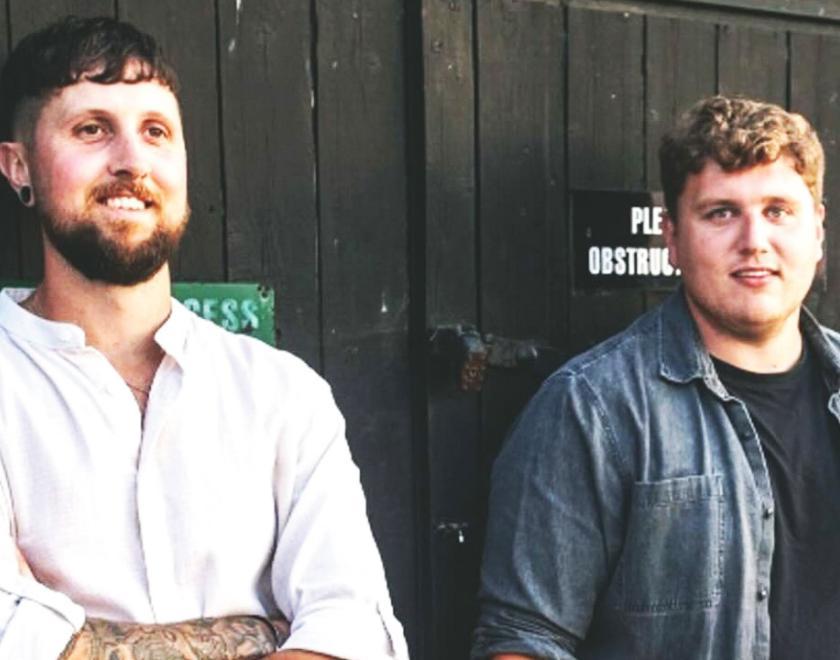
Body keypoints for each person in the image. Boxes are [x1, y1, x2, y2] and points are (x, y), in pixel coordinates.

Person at [0, 15, 408, 660]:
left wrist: (67, 638)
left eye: (155, 132)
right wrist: (260, 633)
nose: (132, 160)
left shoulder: (282, 394)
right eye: (91, 129)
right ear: (18, 166)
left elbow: (356, 630)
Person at [472, 95, 838, 659]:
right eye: (721, 212)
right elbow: (523, 641)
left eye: (778, 210)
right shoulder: (592, 409)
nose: (754, 241)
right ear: (671, 236)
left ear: (817, 229)